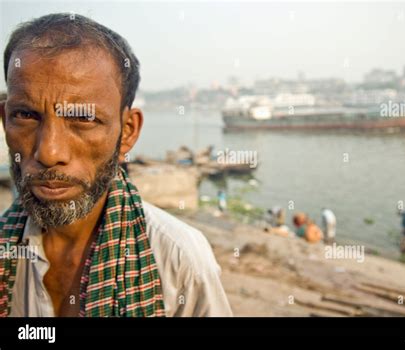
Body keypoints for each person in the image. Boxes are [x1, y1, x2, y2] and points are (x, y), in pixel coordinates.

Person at [0, 14, 232, 317]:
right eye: (26, 116)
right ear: (5, 121)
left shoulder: (177, 258)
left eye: (83, 119)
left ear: (128, 132)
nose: (49, 152)